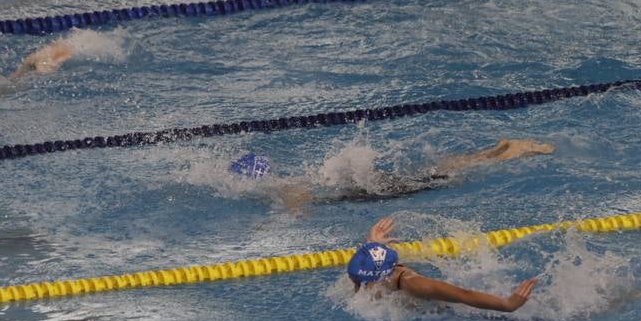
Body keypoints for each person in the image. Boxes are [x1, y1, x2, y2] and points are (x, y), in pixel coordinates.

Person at [229, 138, 555, 209]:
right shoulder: (295, 181)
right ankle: (496, 150)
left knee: (441, 178)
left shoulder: (289, 190)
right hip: (374, 184)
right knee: (436, 172)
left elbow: (298, 209)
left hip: (376, 189)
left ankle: (508, 152)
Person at [346, 215, 538, 313]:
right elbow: (372, 255)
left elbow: (464, 295)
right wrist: (375, 242)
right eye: (358, 280)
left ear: (383, 276)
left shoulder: (415, 284)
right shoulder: (368, 268)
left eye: (364, 281)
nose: (360, 286)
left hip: (467, 313)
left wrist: (508, 304)